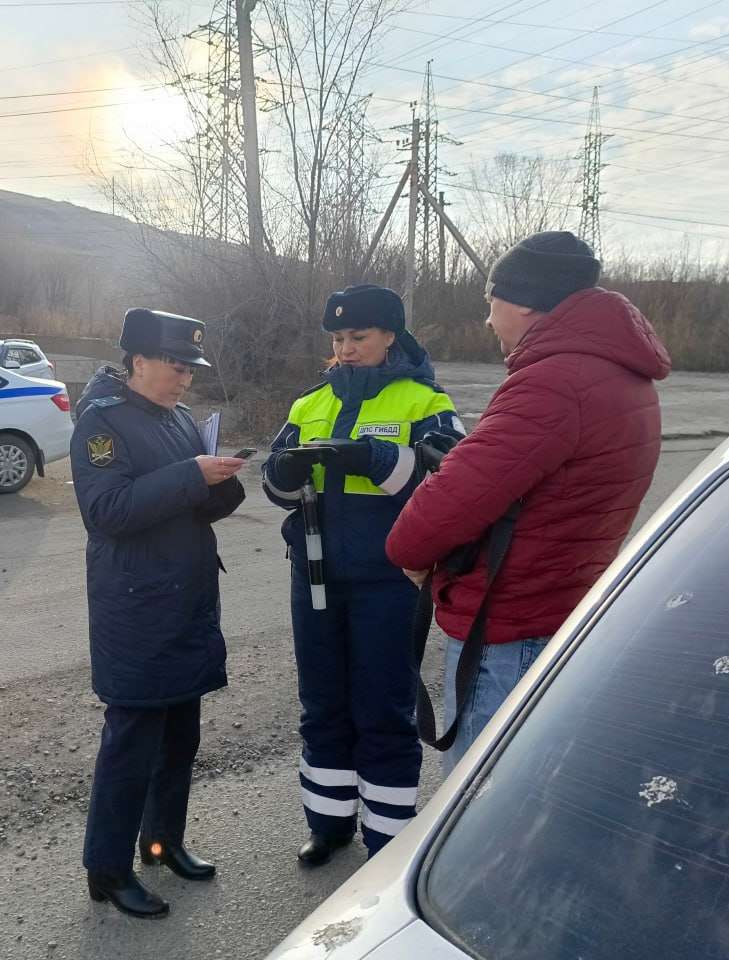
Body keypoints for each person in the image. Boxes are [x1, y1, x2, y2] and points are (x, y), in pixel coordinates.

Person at [386, 230, 672, 773]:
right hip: (563, 608)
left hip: (508, 636)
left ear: (522, 302)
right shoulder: (620, 374)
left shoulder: (553, 383)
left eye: (489, 303)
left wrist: (416, 554)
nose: (488, 319)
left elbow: (425, 524)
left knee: (480, 806)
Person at [261, 283, 463, 865]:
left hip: (389, 580)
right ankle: (328, 823)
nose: (346, 349)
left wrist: (371, 459)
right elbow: (276, 490)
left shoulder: (424, 402)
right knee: (322, 702)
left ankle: (388, 842)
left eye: (359, 337)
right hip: (316, 576)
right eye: (338, 338)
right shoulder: (309, 403)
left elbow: (448, 481)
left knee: (383, 704)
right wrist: (286, 468)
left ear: (390, 337)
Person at [71, 307, 247, 919]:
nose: (186, 379)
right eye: (177, 366)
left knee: (180, 737)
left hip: (185, 605)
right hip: (138, 611)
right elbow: (109, 512)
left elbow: (192, 505)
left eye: (191, 369)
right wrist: (189, 474)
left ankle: (161, 840)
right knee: (132, 744)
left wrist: (220, 481)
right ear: (139, 361)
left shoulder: (174, 420)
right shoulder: (102, 425)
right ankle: (107, 868)